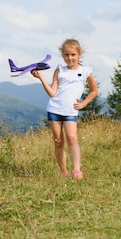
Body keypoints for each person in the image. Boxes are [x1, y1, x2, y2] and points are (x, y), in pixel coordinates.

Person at [31, 39, 98, 180]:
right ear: (62, 55)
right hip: (54, 109)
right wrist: (41, 78)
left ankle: (77, 170)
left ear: (79, 54)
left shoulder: (86, 72)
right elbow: (52, 93)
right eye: (66, 55)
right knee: (58, 141)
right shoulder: (59, 70)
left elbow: (94, 91)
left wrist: (84, 104)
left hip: (70, 111)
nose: (70, 58)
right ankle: (63, 171)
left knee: (72, 138)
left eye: (73, 54)